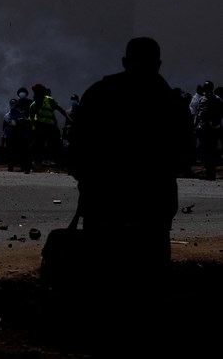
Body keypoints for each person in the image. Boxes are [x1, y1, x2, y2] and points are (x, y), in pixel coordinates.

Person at [68, 37, 194, 349]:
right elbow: (185, 155)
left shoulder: (99, 93)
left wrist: (88, 178)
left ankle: (98, 337)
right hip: (153, 199)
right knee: (150, 275)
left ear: (124, 61)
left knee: (102, 273)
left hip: (104, 198)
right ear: (158, 64)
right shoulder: (170, 101)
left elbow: (76, 148)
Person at [28, 83, 69, 167]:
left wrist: (69, 119)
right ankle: (35, 162)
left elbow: (60, 109)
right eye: (36, 92)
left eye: (38, 91)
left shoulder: (48, 100)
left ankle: (58, 162)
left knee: (56, 144)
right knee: (38, 145)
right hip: (41, 127)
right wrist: (34, 128)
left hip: (51, 127)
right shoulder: (33, 105)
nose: (37, 93)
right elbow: (31, 119)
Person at [192, 80, 223, 180]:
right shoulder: (201, 99)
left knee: (212, 151)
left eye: (208, 88)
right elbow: (198, 114)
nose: (206, 90)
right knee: (205, 151)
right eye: (205, 88)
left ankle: (211, 174)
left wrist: (214, 122)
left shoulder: (217, 99)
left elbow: (220, 114)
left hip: (213, 129)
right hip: (203, 129)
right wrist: (195, 125)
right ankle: (208, 172)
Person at [2, 98, 32, 173]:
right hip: (10, 137)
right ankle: (11, 168)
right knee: (10, 153)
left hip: (19, 137)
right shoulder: (7, 116)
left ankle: (23, 167)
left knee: (21, 153)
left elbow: (27, 125)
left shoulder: (21, 115)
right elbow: (4, 127)